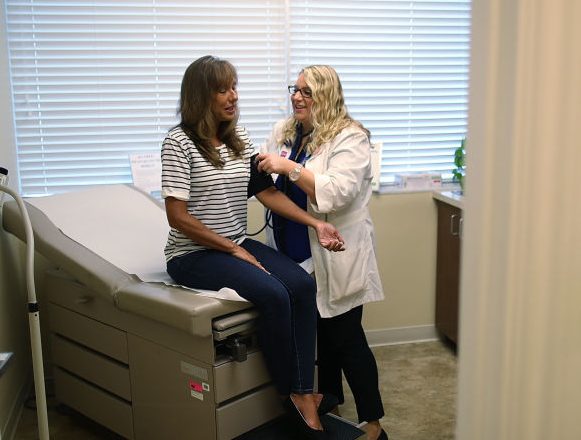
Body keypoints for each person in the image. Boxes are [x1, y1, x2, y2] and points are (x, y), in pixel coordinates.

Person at [161, 55, 345, 439]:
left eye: (234, 87)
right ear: (201, 95)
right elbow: (178, 217)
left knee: (302, 285)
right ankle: (295, 393)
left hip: (234, 242)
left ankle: (304, 390)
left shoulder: (238, 139)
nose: (233, 96)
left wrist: (316, 222)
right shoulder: (178, 143)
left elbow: (265, 192)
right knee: (275, 294)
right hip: (192, 254)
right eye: (223, 89)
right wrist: (232, 250)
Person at [256, 65, 388, 440]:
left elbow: (337, 190)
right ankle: (328, 399)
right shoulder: (287, 131)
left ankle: (375, 425)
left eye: (307, 91)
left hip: (333, 252)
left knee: (346, 340)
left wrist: (290, 168)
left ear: (327, 95)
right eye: (294, 89)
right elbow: (265, 168)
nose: (296, 97)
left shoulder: (351, 137)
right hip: (290, 250)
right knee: (318, 338)